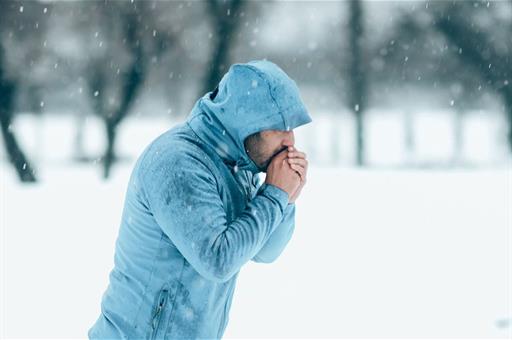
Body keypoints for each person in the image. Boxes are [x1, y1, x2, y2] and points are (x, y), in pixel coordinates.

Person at [88, 59, 312, 339]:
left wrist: (286, 200)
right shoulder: (178, 162)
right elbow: (217, 259)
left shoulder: (238, 165)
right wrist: (274, 196)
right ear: (248, 123)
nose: (290, 142)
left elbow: (264, 251)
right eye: (281, 128)